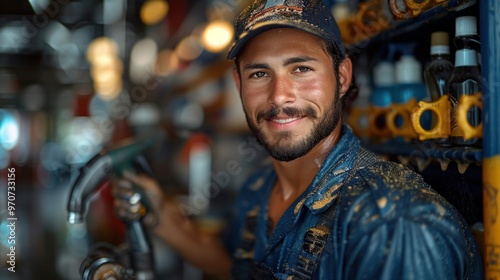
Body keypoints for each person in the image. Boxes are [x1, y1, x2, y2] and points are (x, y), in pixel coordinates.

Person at [113, 0, 484, 279]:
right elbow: (237, 269)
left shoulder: (395, 225)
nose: (279, 97)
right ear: (239, 85)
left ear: (341, 78)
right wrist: (159, 214)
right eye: (260, 74)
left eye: (301, 69)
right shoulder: (259, 188)